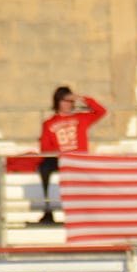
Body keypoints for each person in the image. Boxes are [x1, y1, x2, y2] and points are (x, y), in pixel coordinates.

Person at [38, 86, 107, 224]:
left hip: (79, 159)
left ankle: (90, 213)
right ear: (57, 102)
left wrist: (82, 98)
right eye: (64, 101)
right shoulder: (49, 123)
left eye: (70, 101)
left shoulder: (81, 118)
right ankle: (48, 209)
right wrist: (60, 154)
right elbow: (45, 147)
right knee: (44, 168)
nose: (67, 104)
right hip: (60, 159)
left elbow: (101, 111)